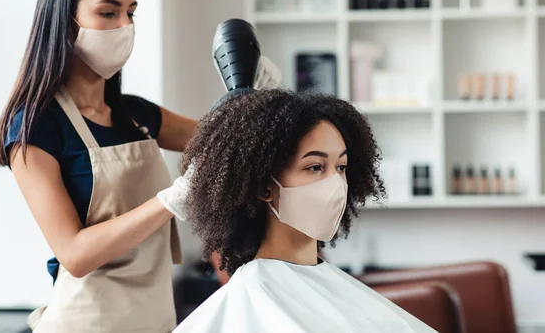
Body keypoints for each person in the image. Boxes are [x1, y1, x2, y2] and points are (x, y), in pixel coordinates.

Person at [0, 0, 278, 333]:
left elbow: (227, 142)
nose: (125, 25)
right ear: (65, 21)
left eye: (131, 13)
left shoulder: (135, 115)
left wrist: (257, 100)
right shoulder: (34, 128)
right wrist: (170, 201)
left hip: (155, 321)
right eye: (108, 13)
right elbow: (75, 254)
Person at [173, 90, 435, 332]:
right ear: (265, 186)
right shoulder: (253, 296)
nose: (335, 184)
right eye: (315, 167)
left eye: (341, 167)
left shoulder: (327, 281)